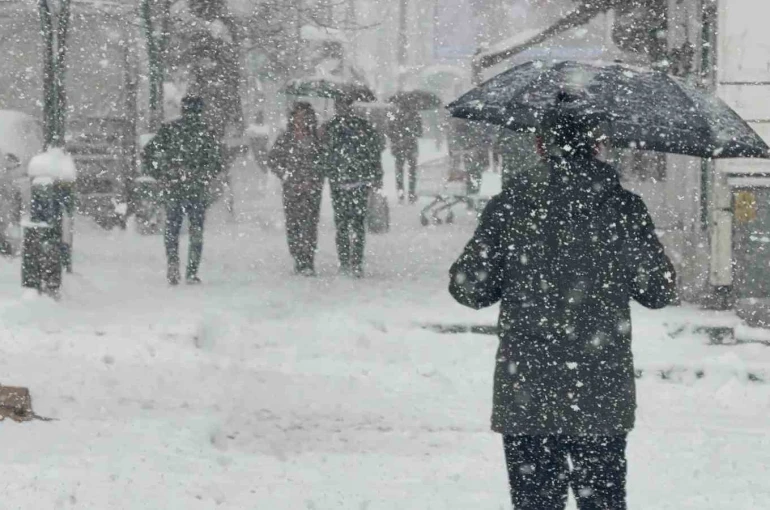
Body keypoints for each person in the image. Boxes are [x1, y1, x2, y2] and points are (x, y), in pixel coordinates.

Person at [448, 96, 677, 510]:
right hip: (600, 391)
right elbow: (658, 291)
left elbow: (470, 289)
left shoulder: (510, 206)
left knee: (536, 502)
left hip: (528, 390)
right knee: (603, 502)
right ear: (598, 145)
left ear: (541, 144)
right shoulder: (623, 209)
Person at [142, 95, 224, 285]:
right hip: (196, 189)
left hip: (174, 186)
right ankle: (191, 272)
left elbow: (147, 153)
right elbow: (217, 163)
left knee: (172, 228)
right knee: (196, 231)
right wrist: (202, 175)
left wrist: (161, 173)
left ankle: (173, 265)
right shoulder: (206, 132)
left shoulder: (170, 129)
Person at [320, 97, 385, 278]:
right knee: (345, 224)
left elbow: (374, 150)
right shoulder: (332, 127)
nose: (342, 109)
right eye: (339, 106)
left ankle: (354, 261)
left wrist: (376, 174)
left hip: (355, 181)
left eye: (344, 106)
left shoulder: (358, 126)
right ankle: (347, 261)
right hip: (343, 182)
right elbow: (324, 153)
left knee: (354, 224)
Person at [267, 102, 324, 276]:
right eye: (298, 116)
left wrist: (314, 179)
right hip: (292, 189)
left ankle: (308, 260)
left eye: (304, 116)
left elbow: (324, 162)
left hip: (312, 189)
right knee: (293, 225)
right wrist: (286, 175)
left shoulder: (317, 139)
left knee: (310, 225)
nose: (301, 120)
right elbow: (273, 160)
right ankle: (298, 257)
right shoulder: (285, 138)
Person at [387, 103, 422, 204]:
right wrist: (410, 134)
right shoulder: (415, 116)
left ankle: (401, 194)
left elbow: (389, 132)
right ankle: (411, 194)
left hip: (399, 147)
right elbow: (420, 132)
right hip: (410, 147)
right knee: (412, 172)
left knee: (400, 172)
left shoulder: (394, 116)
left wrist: (397, 139)